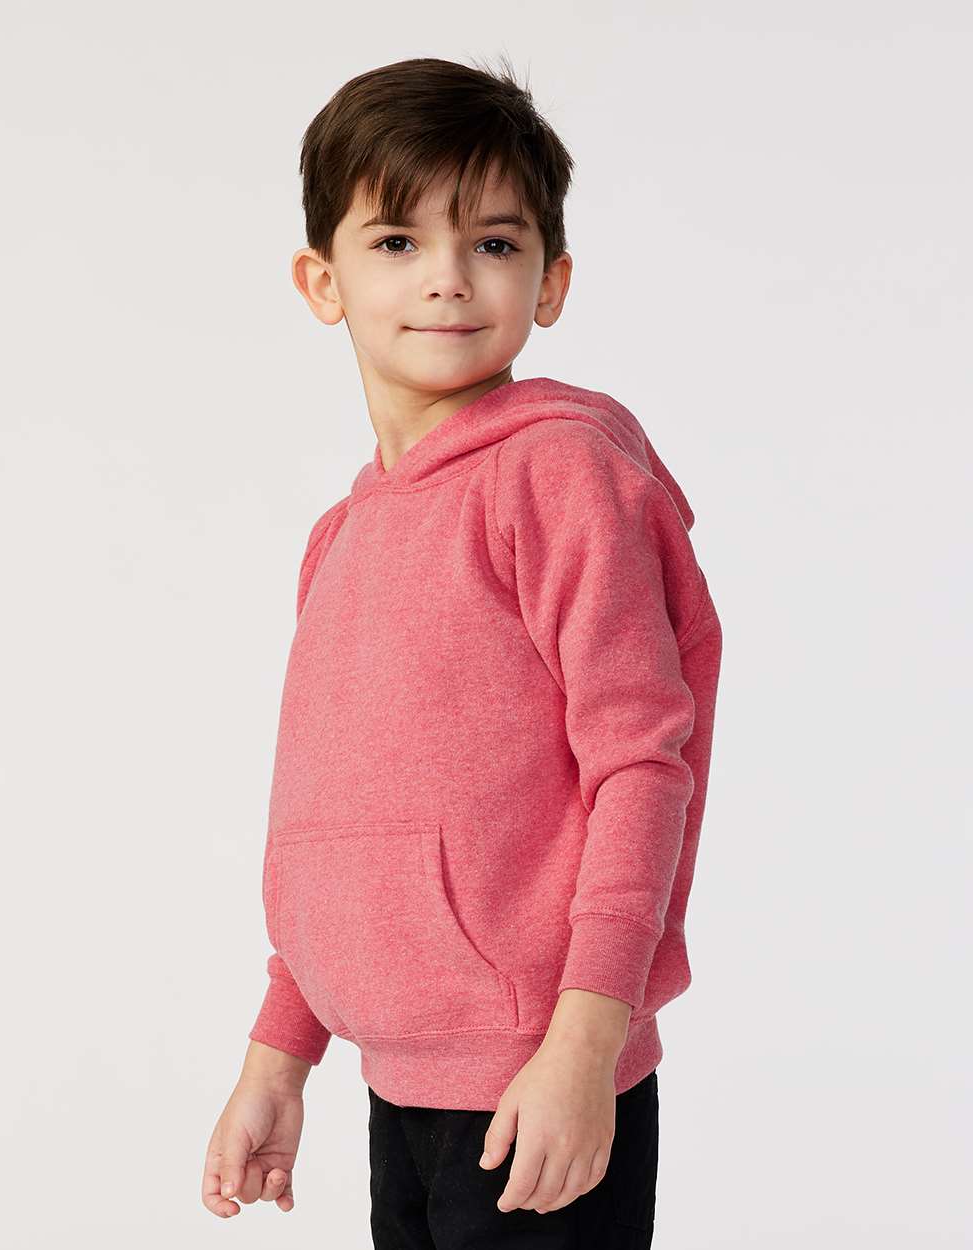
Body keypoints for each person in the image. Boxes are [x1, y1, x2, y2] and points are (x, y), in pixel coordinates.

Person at [201, 54, 723, 1249]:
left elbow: (642, 766)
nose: (446, 277)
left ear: (551, 281)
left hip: (538, 1078)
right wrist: (281, 1050)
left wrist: (586, 1039)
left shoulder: (558, 472)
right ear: (322, 280)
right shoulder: (341, 536)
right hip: (400, 1082)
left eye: (492, 242)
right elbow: (334, 816)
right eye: (397, 241)